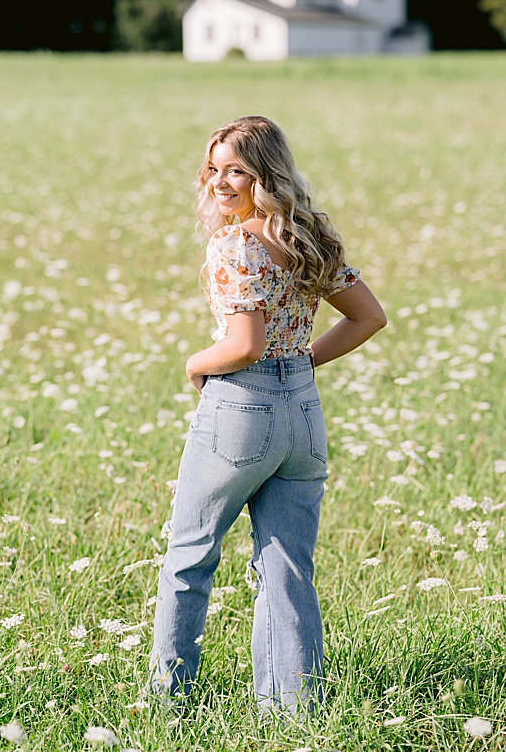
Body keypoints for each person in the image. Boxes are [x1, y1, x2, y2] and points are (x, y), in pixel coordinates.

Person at [147, 115, 386, 714]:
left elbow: (245, 343)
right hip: (303, 414)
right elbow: (368, 317)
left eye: (237, 170)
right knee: (286, 567)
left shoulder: (234, 243)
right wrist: (303, 361)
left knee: (189, 557)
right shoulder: (312, 239)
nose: (221, 182)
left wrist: (194, 363)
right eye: (215, 169)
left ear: (265, 175)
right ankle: (294, 711)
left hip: (241, 410)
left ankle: (166, 703)